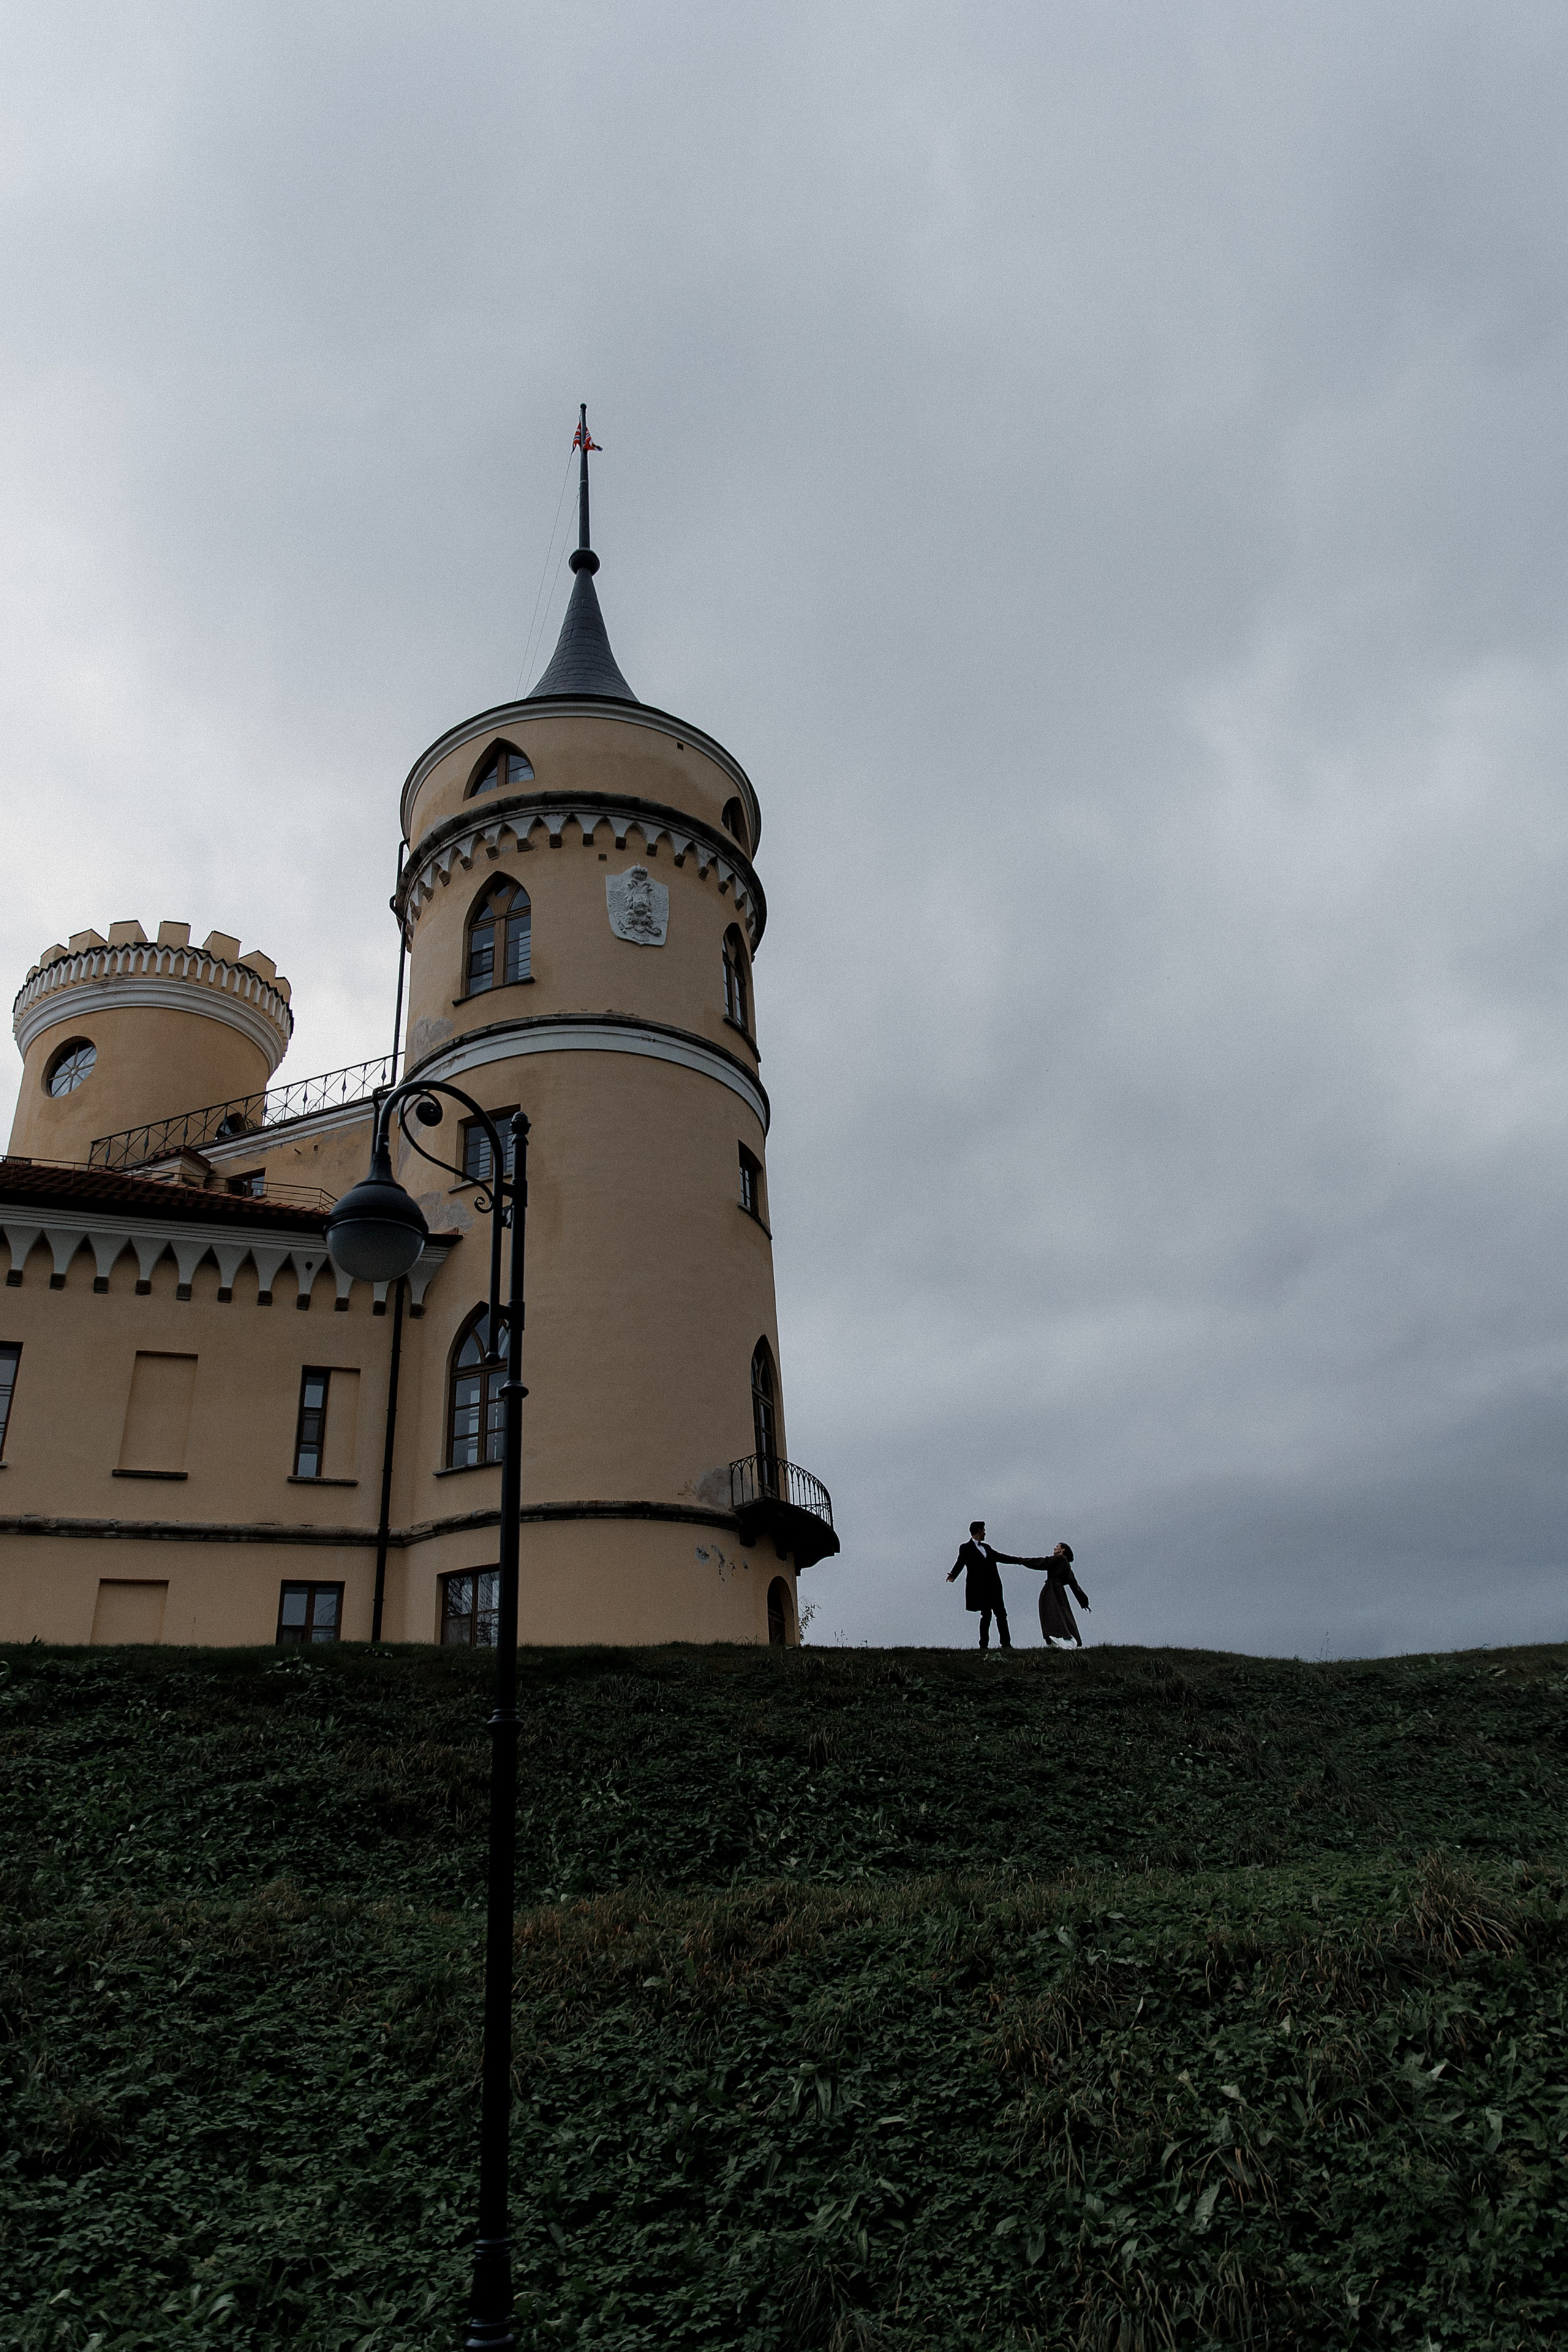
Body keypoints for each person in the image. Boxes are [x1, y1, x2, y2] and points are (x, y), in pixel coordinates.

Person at [946, 1520, 1027, 1651]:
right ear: (979, 1530)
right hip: (980, 1588)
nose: (985, 1533)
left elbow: (1001, 1557)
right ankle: (984, 1645)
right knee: (986, 1615)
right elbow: (960, 1562)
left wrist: (1018, 1560)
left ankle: (1006, 1644)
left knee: (1001, 1614)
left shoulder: (987, 1548)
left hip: (994, 1586)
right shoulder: (966, 1548)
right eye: (984, 1530)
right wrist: (953, 1575)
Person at [1022, 1543, 1090, 1647]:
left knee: (1051, 1612)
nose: (1054, 1548)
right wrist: (1084, 1602)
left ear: (1063, 1550)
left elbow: (1042, 1562)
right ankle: (1064, 1638)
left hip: (1052, 1589)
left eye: (1057, 1546)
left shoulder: (1059, 1559)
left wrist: (1021, 1561)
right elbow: (1074, 1585)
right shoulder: (1067, 1564)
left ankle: (1058, 1637)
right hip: (1060, 1592)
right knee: (1062, 1614)